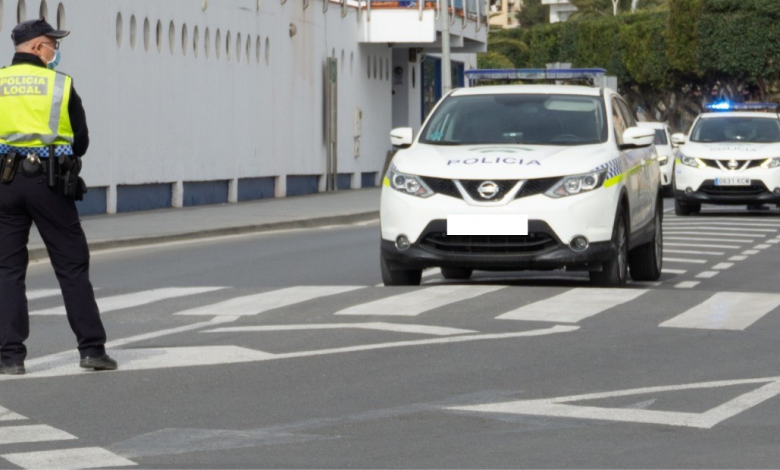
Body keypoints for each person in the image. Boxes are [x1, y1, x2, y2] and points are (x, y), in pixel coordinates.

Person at [0, 18, 117, 375]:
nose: (55, 50)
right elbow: (80, 142)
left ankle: (10, 358)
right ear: (37, 47)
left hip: (4, 183)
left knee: (7, 270)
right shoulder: (60, 85)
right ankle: (92, 350)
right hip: (49, 184)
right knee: (71, 266)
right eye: (52, 44)